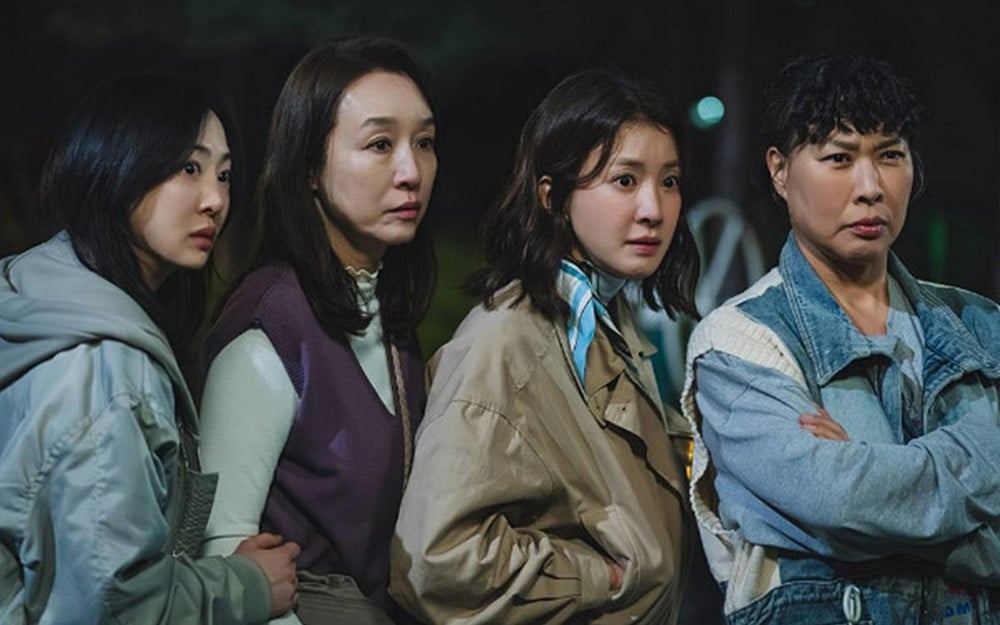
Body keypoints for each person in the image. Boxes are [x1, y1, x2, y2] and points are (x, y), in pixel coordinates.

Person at [682, 54, 1000, 625]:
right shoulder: (740, 341)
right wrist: (985, 463)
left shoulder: (979, 323)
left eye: (890, 155)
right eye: (839, 158)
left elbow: (851, 507)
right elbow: (837, 499)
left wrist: (871, 477)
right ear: (780, 171)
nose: (871, 187)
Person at [390, 66, 701, 625]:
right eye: (624, 180)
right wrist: (603, 577)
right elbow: (439, 560)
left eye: (669, 181)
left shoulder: (603, 322)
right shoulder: (507, 343)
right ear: (552, 196)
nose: (654, 209)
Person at [0, 74, 300, 625]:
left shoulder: (38, 290)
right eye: (188, 168)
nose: (215, 200)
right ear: (115, 166)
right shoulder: (105, 375)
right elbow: (110, 607)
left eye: (224, 174)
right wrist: (246, 586)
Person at [198, 36, 436, 625]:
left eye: (424, 143)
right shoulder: (270, 333)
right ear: (308, 167)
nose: (411, 171)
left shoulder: (386, 307)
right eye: (379, 144)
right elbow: (225, 558)